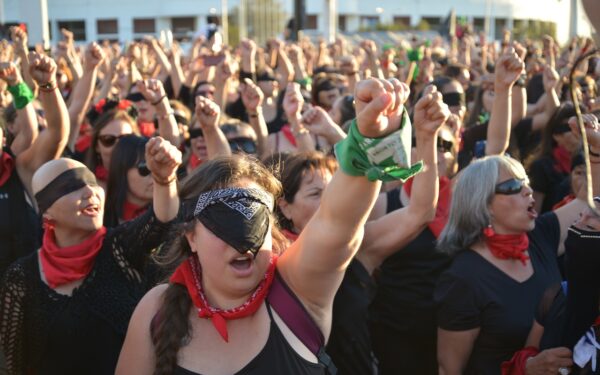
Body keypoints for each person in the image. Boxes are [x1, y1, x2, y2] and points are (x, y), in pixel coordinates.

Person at [115, 77, 421, 374]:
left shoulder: (297, 291)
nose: (242, 242)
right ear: (191, 237)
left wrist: (371, 136)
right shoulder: (157, 310)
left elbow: (337, 222)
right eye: (223, 221)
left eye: (253, 219)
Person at [434, 113, 600, 375]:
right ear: (483, 204)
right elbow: (450, 370)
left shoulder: (541, 235)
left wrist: (596, 149)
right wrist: (526, 369)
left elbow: (590, 202)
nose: (528, 191)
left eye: (526, 182)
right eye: (513, 185)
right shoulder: (463, 278)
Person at [0, 137, 181, 375]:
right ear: (47, 214)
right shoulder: (22, 278)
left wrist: (164, 179)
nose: (89, 192)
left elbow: (161, 222)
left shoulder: (120, 248)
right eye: (71, 187)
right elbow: (14, 365)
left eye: (91, 183)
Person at [0, 53, 70, 279]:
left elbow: (56, 132)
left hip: (31, 301)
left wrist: (47, 85)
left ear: (3, 137)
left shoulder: (18, 170)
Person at [104, 135, 152, 227]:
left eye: (158, 166)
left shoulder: (172, 213)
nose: (156, 175)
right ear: (122, 170)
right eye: (144, 168)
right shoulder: (99, 216)